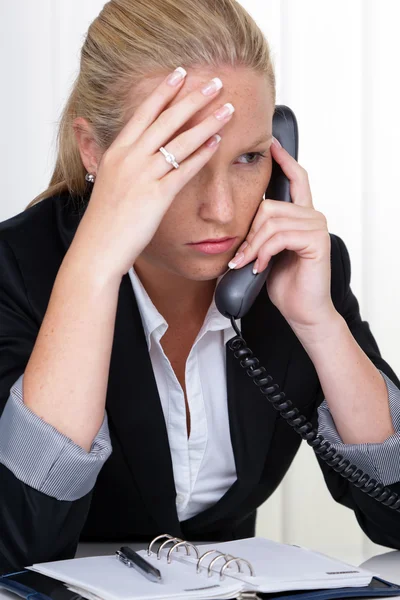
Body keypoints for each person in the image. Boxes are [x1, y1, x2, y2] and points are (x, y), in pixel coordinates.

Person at [0, 0, 400, 576]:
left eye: (249, 157)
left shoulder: (298, 268)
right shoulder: (16, 269)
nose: (221, 210)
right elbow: (16, 547)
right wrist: (92, 272)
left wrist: (319, 323)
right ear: (94, 149)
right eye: (182, 158)